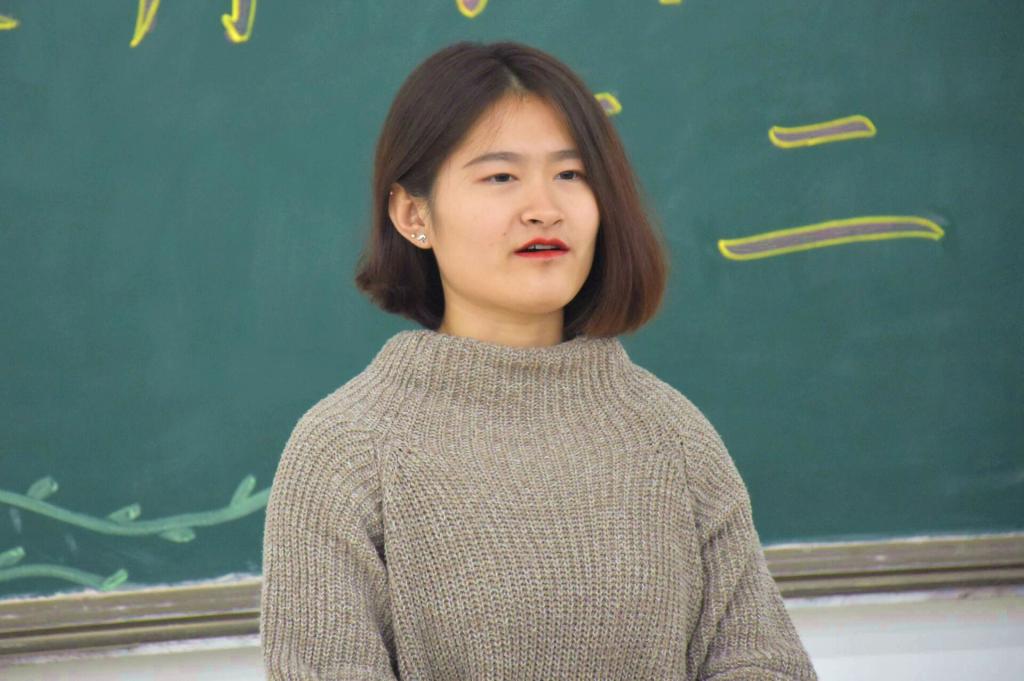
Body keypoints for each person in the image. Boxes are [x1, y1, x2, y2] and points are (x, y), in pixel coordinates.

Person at [260, 40, 818, 680]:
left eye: (571, 175)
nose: (544, 208)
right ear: (414, 214)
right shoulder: (344, 451)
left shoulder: (672, 434)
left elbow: (763, 663)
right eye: (501, 176)